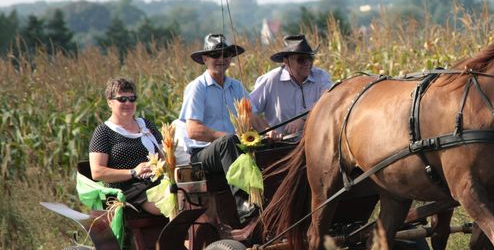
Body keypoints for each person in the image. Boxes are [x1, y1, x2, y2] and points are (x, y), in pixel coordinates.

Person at [178, 33, 256, 223]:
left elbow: (253, 118)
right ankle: (243, 204)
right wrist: (229, 136)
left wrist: (272, 132)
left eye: (225, 54)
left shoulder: (236, 87)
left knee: (264, 145)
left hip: (233, 147)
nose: (221, 59)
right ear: (205, 59)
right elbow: (193, 130)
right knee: (229, 141)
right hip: (202, 154)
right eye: (215, 55)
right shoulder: (197, 88)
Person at [89, 78, 164, 216]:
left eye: (132, 98)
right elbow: (97, 172)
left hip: (157, 182)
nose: (128, 103)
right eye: (122, 99)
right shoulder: (103, 131)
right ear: (109, 102)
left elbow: (164, 155)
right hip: (128, 190)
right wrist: (133, 172)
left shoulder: (146, 125)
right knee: (172, 204)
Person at [250, 34, 333, 139]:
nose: (307, 63)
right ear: (286, 61)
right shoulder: (270, 80)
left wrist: (303, 118)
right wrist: (268, 131)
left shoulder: (321, 76)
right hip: (280, 146)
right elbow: (248, 110)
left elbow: (330, 99)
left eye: (310, 58)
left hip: (315, 145)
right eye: (301, 59)